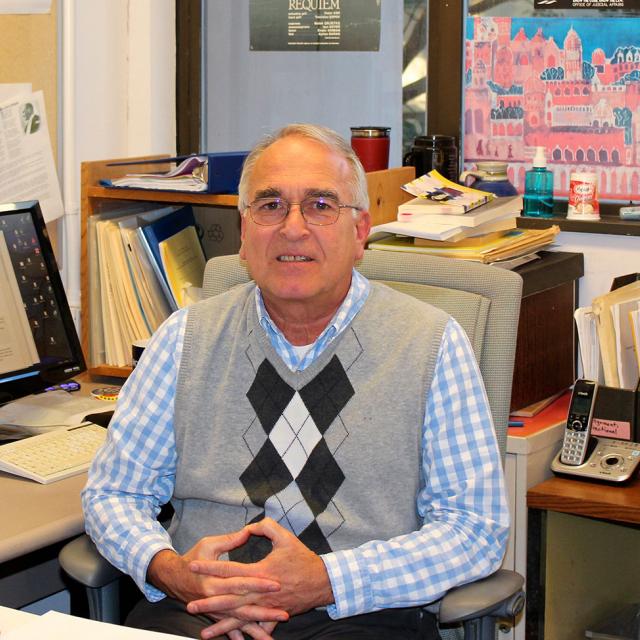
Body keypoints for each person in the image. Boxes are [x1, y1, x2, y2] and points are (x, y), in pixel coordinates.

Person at [83, 123, 509, 640]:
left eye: (321, 205)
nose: (292, 227)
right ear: (243, 234)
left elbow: (474, 530)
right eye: (269, 205)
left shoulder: (433, 344)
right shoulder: (184, 339)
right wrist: (170, 571)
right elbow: (113, 493)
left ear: (359, 233)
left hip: (356, 615)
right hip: (198, 611)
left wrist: (327, 580)